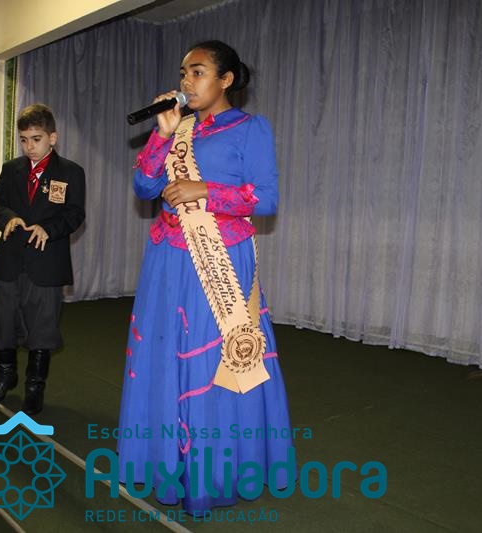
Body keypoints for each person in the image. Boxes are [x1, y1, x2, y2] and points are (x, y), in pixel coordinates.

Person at [117, 41, 295, 513]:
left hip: (220, 257)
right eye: (183, 73)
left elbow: (266, 198)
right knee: (163, 355)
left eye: (197, 72)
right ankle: (165, 461)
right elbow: (144, 187)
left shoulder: (250, 128)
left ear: (226, 80)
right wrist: (162, 135)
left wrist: (204, 190)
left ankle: (213, 471)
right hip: (167, 258)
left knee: (212, 362)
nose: (186, 81)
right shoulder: (178, 128)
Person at [0, 103, 85, 416]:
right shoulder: (11, 169)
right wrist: (8, 218)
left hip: (46, 263)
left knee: (41, 329)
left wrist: (48, 228)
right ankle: (5, 377)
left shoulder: (70, 172)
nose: (29, 147)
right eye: (24, 140)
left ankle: (34, 387)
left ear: (52, 137)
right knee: (2, 321)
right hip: (10, 261)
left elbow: (74, 214)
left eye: (36, 139)